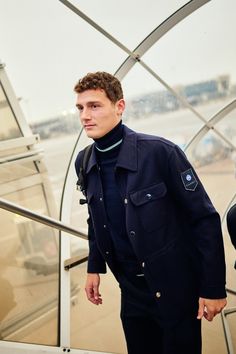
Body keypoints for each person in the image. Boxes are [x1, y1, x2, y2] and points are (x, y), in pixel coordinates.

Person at [74, 71, 227, 354]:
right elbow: (95, 218)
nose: (85, 115)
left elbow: (204, 219)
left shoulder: (161, 153)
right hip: (131, 294)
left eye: (94, 106)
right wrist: (94, 266)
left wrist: (214, 287)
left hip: (176, 290)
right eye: (80, 108)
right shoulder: (84, 162)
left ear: (119, 107)